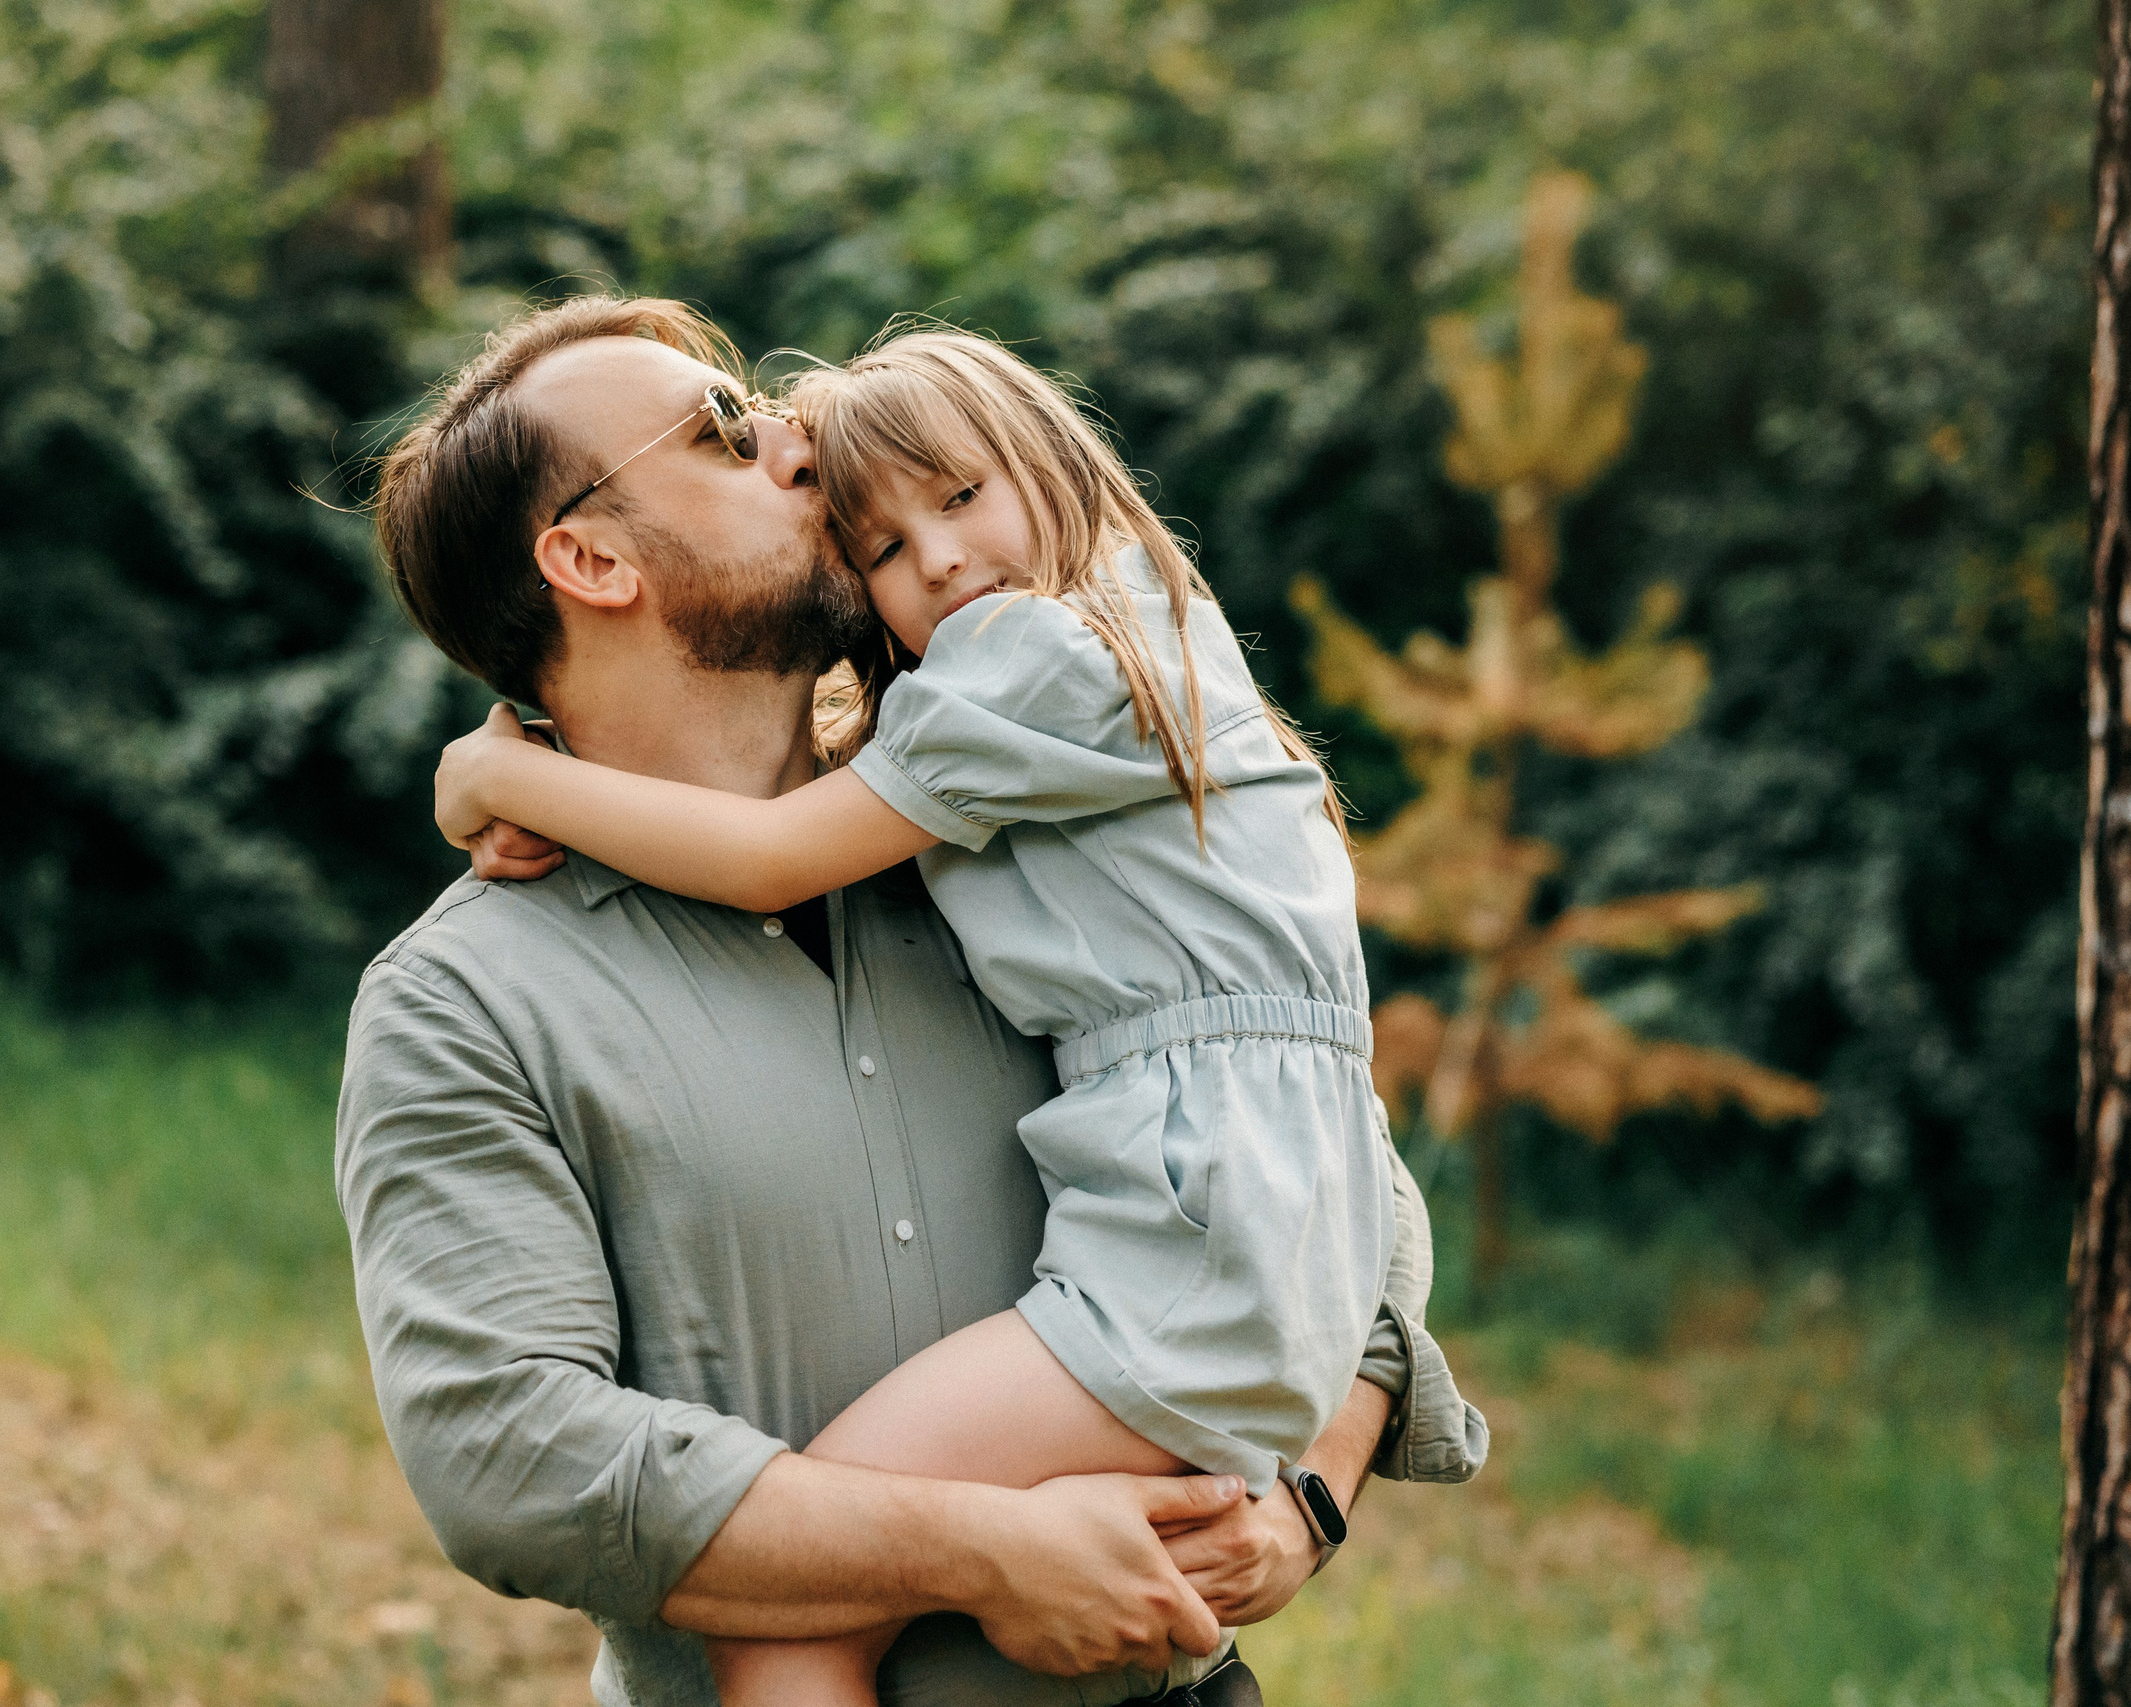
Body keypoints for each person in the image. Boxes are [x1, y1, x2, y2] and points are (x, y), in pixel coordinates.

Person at [338, 294, 1487, 1707]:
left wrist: (1308, 1498)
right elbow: (515, 1462)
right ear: (587, 557)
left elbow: (1347, 1181)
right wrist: (986, 1551)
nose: (796, 450)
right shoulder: (468, 1001)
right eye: (724, 430)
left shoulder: (1015, 855)